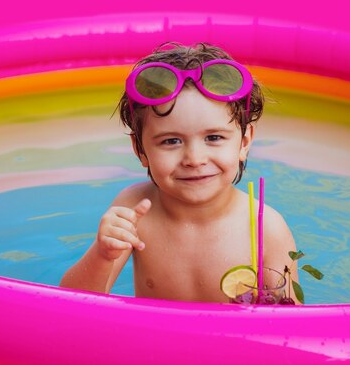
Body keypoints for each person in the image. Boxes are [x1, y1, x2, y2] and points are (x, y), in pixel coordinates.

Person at [60, 43, 298, 303]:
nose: (194, 159)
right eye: (171, 141)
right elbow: (73, 302)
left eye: (214, 137)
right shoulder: (135, 209)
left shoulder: (265, 228)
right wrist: (102, 255)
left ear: (244, 142)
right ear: (140, 150)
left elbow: (291, 322)